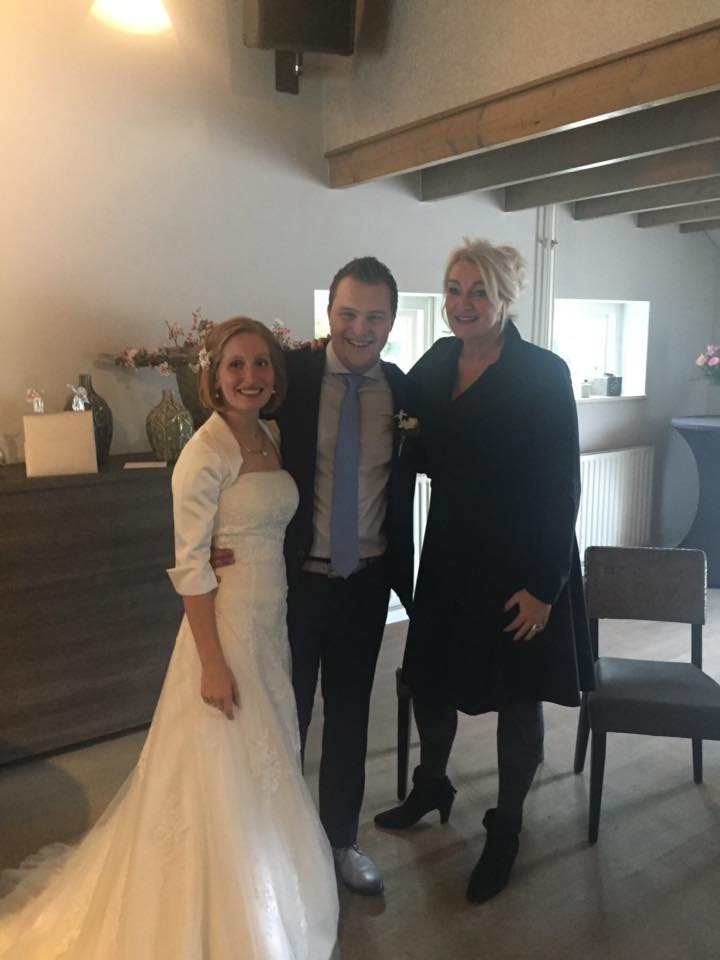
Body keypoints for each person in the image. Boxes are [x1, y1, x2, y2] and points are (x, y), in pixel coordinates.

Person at [0, 317, 339, 959]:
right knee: (223, 762)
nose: (250, 376)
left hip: (270, 625)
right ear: (214, 376)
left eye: (260, 364)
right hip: (225, 632)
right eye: (235, 365)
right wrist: (211, 663)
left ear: (275, 375)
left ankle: (272, 878)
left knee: (267, 755)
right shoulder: (204, 452)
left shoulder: (268, 435)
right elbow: (189, 568)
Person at [374, 239, 594, 904]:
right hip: (451, 552)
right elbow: (404, 426)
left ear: (505, 299)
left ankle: (507, 826)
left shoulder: (542, 372)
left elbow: (563, 483)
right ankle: (432, 785)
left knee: (517, 696)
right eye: (454, 289)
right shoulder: (438, 360)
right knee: (431, 680)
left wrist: (546, 587)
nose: (463, 303)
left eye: (479, 292)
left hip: (521, 559)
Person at [214, 257, 416, 895]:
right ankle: (280, 845)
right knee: (287, 715)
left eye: (375, 317)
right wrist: (218, 533)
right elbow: (223, 433)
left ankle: (340, 843)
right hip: (295, 583)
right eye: (348, 314)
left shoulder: (402, 391)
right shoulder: (290, 377)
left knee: (351, 719)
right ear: (328, 313)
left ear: (391, 321)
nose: (360, 328)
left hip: (367, 585)